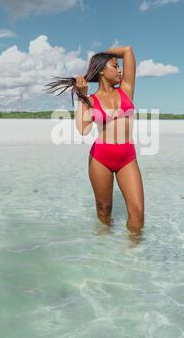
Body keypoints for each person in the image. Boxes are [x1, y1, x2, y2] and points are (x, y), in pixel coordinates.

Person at [43, 46, 144, 235]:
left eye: (119, 66)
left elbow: (128, 50)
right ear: (103, 71)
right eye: (115, 66)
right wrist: (81, 96)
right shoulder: (90, 99)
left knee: (137, 213)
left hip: (127, 158)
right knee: (104, 210)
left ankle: (133, 257)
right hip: (101, 158)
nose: (120, 70)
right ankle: (103, 251)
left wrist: (102, 56)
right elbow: (82, 129)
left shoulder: (126, 89)